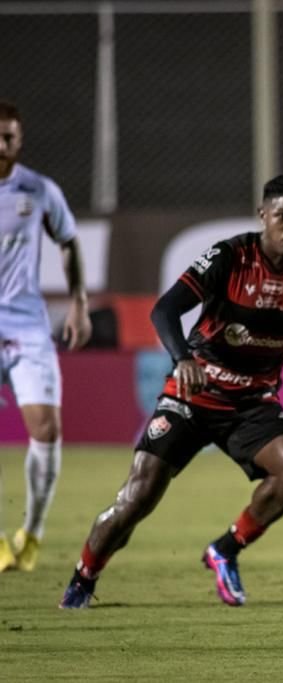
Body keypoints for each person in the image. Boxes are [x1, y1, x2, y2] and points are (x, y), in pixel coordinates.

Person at [59, 174, 283, 608]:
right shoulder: (231, 256)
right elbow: (165, 309)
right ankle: (84, 577)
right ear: (263, 215)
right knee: (136, 498)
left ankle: (225, 549)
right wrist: (182, 359)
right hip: (192, 396)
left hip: (252, 403)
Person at [0, 100, 91, 573]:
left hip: (26, 325)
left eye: (8, 138)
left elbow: (69, 241)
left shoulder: (38, 190)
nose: (1, 145)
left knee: (47, 430)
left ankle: (31, 534)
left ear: (20, 141)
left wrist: (78, 302)